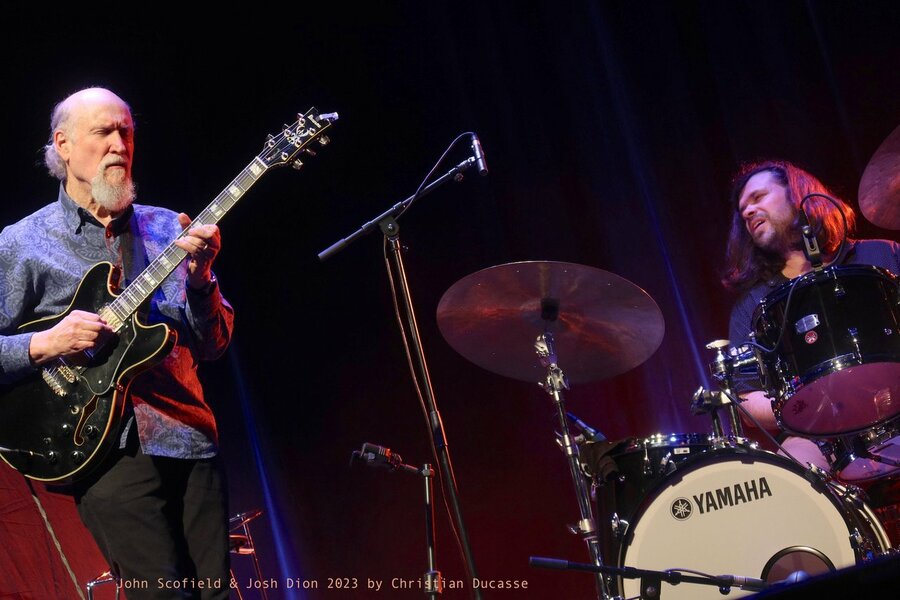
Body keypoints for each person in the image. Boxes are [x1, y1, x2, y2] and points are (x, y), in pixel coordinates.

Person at [0, 88, 233, 598]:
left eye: (126, 131)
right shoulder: (22, 244)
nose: (119, 145)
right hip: (101, 448)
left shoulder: (168, 228)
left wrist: (201, 278)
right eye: (103, 132)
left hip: (189, 435)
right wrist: (44, 343)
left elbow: (213, 346)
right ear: (62, 145)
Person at [722, 159, 900, 470]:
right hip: (819, 434)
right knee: (788, 484)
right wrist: (813, 408)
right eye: (742, 210)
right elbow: (747, 397)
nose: (748, 211)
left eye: (758, 198)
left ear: (796, 194)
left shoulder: (882, 255)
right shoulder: (752, 305)